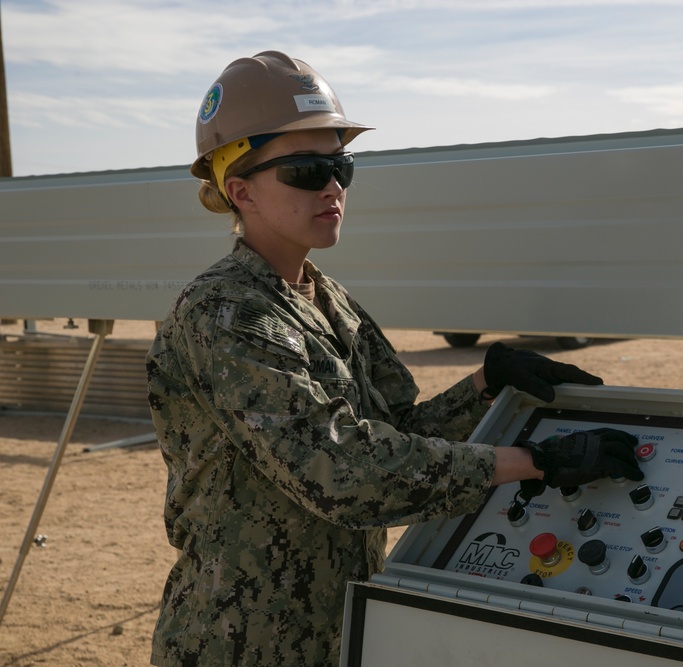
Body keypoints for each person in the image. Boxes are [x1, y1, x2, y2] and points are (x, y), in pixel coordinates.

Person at [146, 50, 643, 667]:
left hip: (337, 631)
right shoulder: (226, 313)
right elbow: (341, 473)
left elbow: (393, 437)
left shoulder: (327, 299)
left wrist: (483, 387)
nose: (331, 185)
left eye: (341, 165)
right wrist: (533, 462)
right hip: (242, 642)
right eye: (305, 169)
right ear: (239, 190)